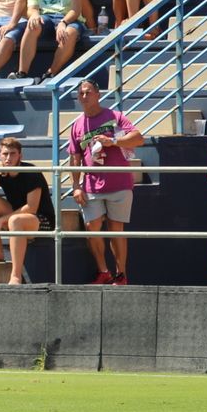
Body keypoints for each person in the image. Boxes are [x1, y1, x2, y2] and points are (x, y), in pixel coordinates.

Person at [66, 79, 142, 284]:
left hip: (119, 182)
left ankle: (121, 274)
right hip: (91, 185)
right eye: (80, 93)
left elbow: (138, 138)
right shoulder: (77, 125)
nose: (84, 96)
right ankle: (103, 271)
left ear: (98, 94)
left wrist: (114, 141)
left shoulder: (114, 116)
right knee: (92, 227)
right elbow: (75, 157)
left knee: (116, 229)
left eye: (88, 92)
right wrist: (75, 186)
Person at [0, 136, 56, 284]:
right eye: (5, 154)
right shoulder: (1, 172)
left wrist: (2, 219)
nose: (8, 158)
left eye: (12, 154)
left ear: (20, 155)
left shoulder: (31, 172)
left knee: (15, 220)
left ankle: (15, 276)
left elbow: (31, 208)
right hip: (16, 214)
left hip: (41, 219)